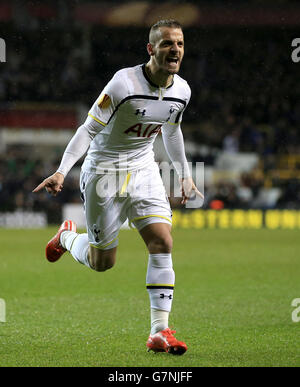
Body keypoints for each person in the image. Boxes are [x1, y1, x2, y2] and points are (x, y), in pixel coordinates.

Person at [33, 19, 203, 355]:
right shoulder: (123, 83)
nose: (175, 50)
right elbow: (88, 128)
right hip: (104, 172)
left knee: (162, 239)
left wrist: (184, 175)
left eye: (180, 44)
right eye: (168, 43)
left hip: (144, 170)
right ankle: (67, 237)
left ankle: (160, 330)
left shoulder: (181, 91)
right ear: (151, 49)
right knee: (102, 263)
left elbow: (170, 132)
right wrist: (62, 171)